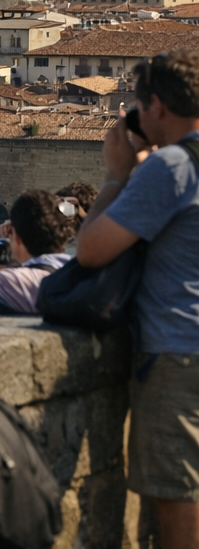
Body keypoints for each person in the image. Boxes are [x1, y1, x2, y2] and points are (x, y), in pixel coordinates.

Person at [76, 50, 199, 549]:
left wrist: (115, 175)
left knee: (177, 499)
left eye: (139, 106)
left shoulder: (171, 167)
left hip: (178, 352)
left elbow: (89, 250)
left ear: (158, 109)